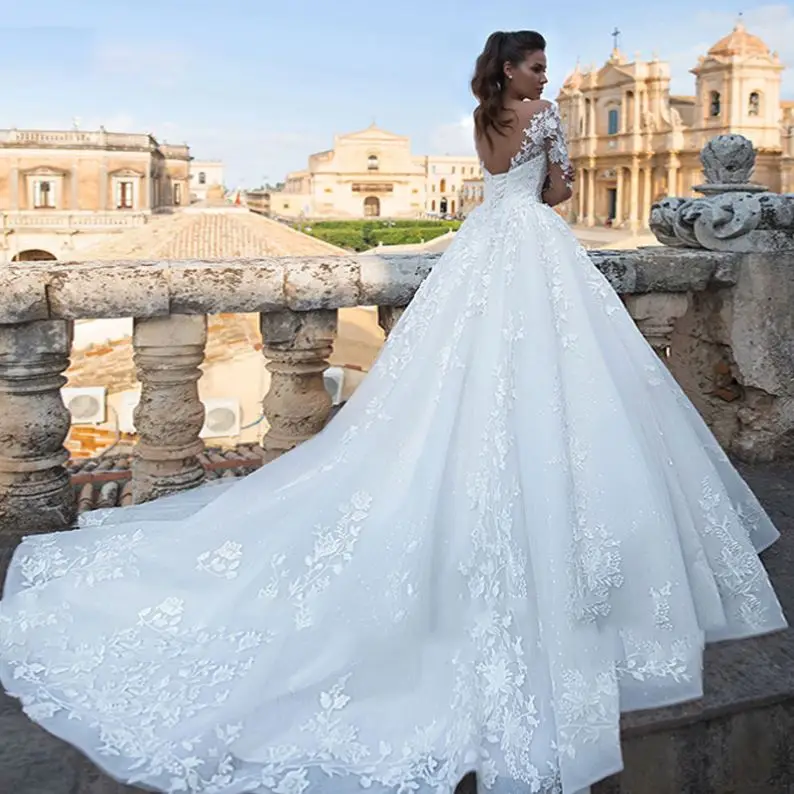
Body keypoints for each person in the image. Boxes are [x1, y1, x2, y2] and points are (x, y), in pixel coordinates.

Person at [0, 29, 787, 794]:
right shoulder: (546, 118)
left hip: (483, 246)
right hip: (535, 248)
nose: (544, 78)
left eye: (546, 69)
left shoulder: (482, 118)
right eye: (536, 66)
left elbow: (497, 177)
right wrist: (561, 169)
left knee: (460, 375)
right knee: (560, 376)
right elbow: (556, 193)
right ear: (512, 68)